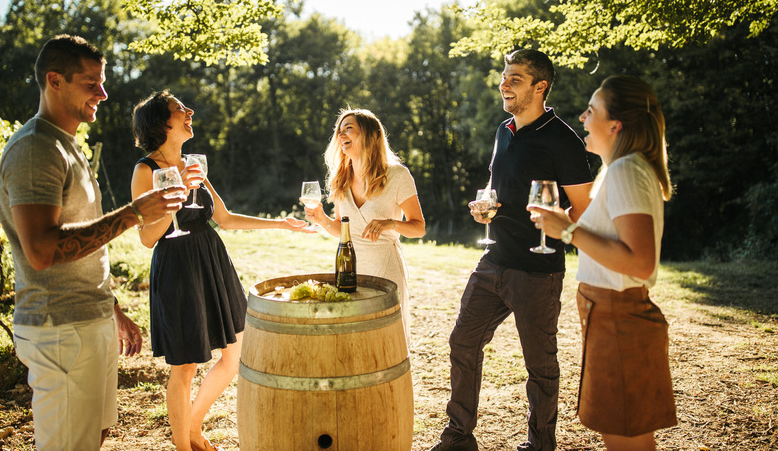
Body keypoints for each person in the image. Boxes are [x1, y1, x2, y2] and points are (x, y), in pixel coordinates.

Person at [0, 35, 184, 451]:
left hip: (88, 317)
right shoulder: (35, 149)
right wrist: (135, 213)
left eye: (102, 82)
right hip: (59, 327)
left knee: (92, 435)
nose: (103, 93)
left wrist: (110, 307)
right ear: (54, 80)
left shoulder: (67, 145)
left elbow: (81, 233)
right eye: (91, 83)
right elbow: (43, 250)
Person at [429, 49, 594, 451]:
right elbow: (498, 187)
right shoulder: (504, 130)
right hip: (494, 259)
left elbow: (585, 207)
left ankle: (541, 445)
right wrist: (485, 208)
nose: (504, 84)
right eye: (504, 76)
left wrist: (556, 225)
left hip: (538, 268)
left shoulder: (563, 140)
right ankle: (459, 437)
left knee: (540, 366)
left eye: (515, 78)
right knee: (463, 342)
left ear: (540, 87)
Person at [130, 90, 308, 451]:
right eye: (180, 108)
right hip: (177, 267)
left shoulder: (192, 164)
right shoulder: (145, 170)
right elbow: (147, 237)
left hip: (211, 261)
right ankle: (183, 446)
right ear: (161, 122)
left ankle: (193, 427)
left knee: (235, 354)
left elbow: (224, 219)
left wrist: (281, 225)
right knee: (186, 365)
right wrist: (177, 190)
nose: (190, 111)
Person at [528, 76, 677, 451]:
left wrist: (567, 232)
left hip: (619, 321)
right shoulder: (620, 170)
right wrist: (569, 226)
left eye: (591, 110)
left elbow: (641, 262)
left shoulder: (627, 170)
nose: (581, 117)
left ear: (615, 126)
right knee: (626, 438)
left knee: (627, 441)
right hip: (610, 317)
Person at [303, 108, 425, 341]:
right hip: (349, 272)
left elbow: (419, 228)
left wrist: (391, 223)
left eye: (349, 128)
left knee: (387, 340)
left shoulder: (397, 175)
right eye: (339, 131)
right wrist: (322, 219)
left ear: (370, 135)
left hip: (385, 269)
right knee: (354, 339)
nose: (341, 135)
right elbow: (343, 230)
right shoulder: (341, 178)